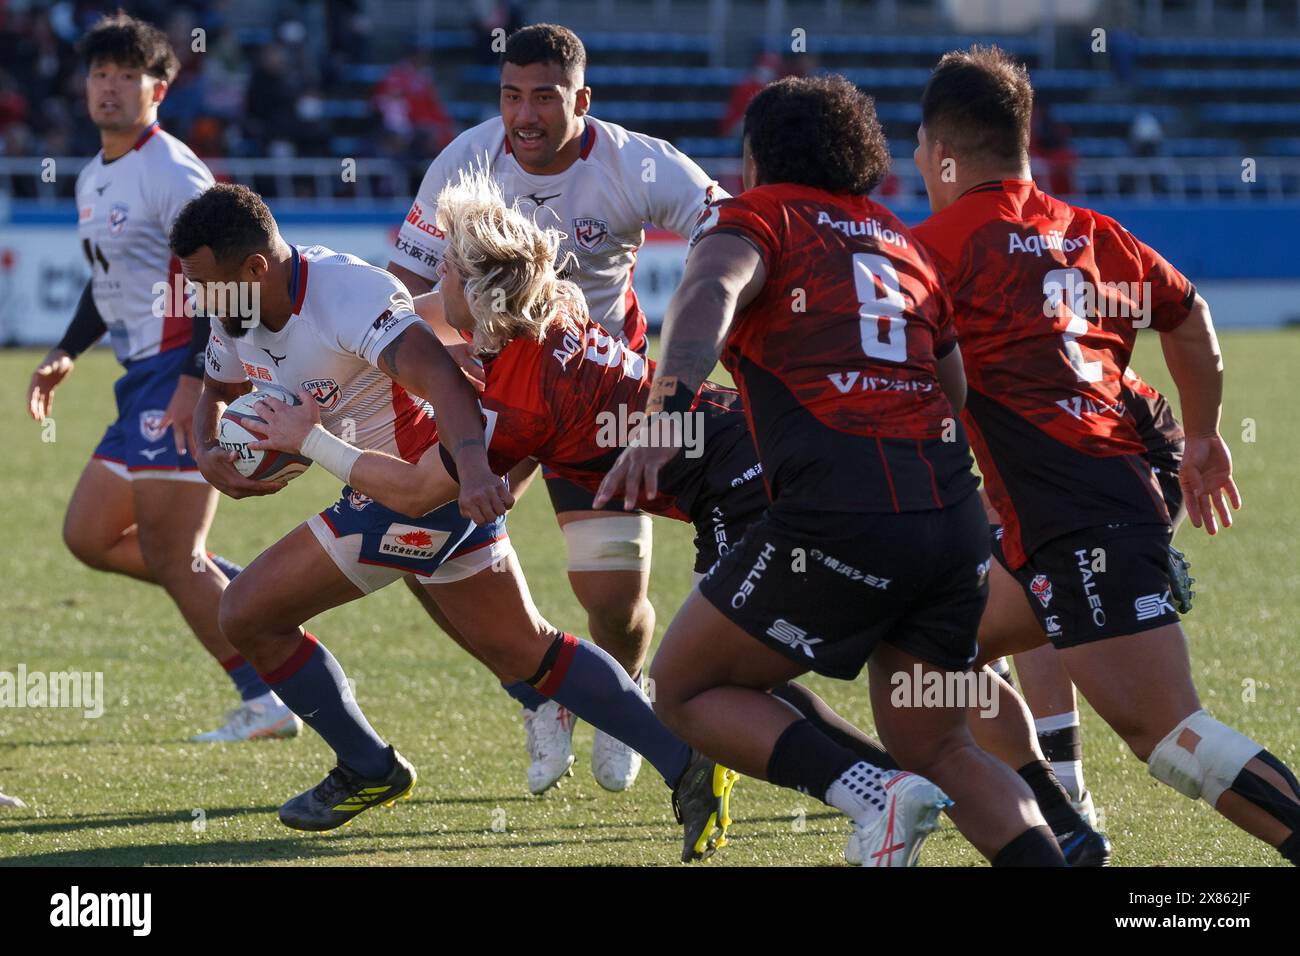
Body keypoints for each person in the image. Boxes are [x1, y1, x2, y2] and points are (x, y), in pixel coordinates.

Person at [175, 184, 731, 860]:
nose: (197, 296)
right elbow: (216, 388)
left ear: (253, 269)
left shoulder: (344, 295)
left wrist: (462, 467)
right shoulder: (236, 311)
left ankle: (367, 767)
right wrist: (208, 452)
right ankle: (686, 760)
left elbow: (443, 383)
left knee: (245, 614)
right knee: (527, 650)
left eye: (205, 282)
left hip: (411, 493)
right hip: (421, 491)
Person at [596, 75, 1068, 866]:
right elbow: (952, 389)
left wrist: (665, 410)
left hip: (842, 511)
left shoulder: (755, 217)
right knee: (943, 744)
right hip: (950, 520)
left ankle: (871, 795)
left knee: (683, 687)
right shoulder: (900, 238)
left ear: (756, 157)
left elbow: (712, 285)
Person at [911, 45, 1300, 865]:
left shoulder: (935, 250)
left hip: (1082, 512)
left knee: (1167, 736)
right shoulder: (1089, 235)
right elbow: (1188, 316)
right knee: (930, 648)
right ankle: (1064, 828)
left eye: (918, 149)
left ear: (941, 154)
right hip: (1072, 504)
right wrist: (1202, 438)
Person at [386, 24, 725, 794]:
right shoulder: (466, 158)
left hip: (594, 399)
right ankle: (539, 692)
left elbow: (729, 237)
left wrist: (689, 346)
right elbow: (402, 289)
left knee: (612, 597)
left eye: (545, 97)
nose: (525, 115)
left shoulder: (634, 162)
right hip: (491, 394)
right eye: (511, 96)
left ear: (583, 101)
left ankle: (618, 697)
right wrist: (459, 362)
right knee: (416, 543)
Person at [23, 12, 298, 743]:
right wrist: (66, 352)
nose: (109, 88)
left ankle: (268, 695)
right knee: (88, 535)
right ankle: (244, 595)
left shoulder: (174, 170)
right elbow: (103, 281)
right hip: (136, 376)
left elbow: (227, 279)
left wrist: (194, 379)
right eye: (99, 74)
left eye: (126, 76)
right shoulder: (92, 174)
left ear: (158, 90)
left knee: (174, 555)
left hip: (176, 373)